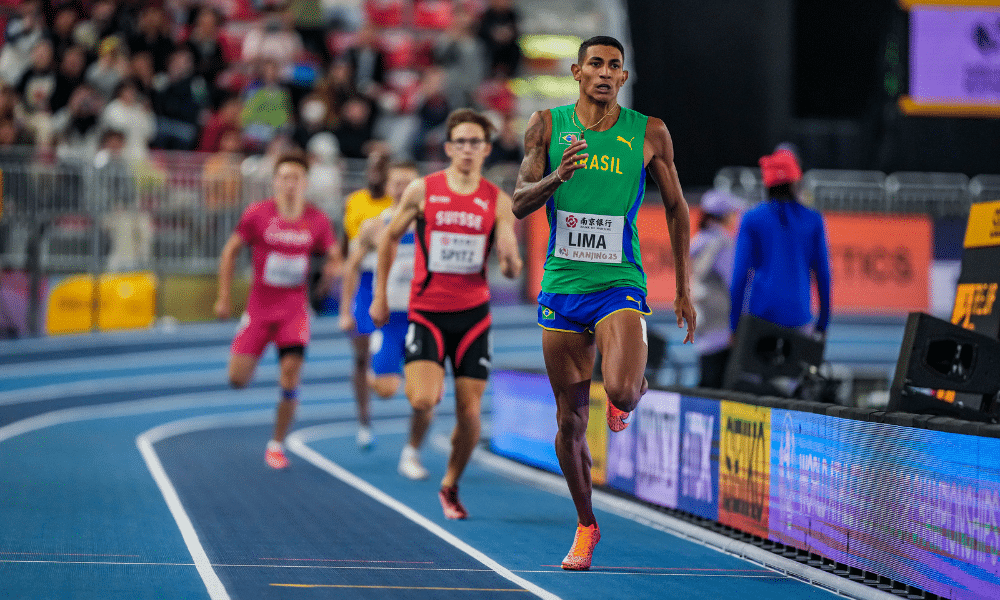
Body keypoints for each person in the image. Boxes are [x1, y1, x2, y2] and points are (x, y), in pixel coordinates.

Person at [510, 36, 696, 570]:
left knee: (617, 388)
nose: (605, 72)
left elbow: (679, 209)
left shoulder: (649, 132)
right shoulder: (546, 125)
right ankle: (586, 526)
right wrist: (557, 177)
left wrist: (682, 288)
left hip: (619, 281)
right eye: (595, 63)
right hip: (563, 286)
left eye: (615, 66)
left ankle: (628, 393)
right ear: (577, 71)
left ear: (623, 77)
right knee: (569, 421)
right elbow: (520, 203)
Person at [370, 108, 522, 519]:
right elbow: (388, 239)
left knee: (469, 412)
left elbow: (511, 260)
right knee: (423, 399)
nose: (468, 149)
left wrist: (510, 263)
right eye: (461, 142)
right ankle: (424, 389)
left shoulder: (496, 200)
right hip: (428, 313)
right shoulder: (423, 190)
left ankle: (450, 483)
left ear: (486, 149)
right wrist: (380, 297)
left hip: (473, 317)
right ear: (449, 147)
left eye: (476, 142)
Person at [214, 151, 339, 470]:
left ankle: (277, 444)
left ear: (305, 183)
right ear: (274, 182)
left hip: (294, 312)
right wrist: (224, 297)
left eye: (296, 178)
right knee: (237, 379)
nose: (289, 184)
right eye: (284, 178)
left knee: (290, 376)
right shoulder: (258, 214)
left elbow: (334, 255)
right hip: (259, 308)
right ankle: (265, 374)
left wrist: (327, 280)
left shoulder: (317, 219)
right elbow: (230, 251)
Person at [338, 161, 420, 448]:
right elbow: (350, 267)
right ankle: (364, 420)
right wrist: (345, 310)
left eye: (407, 183)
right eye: (396, 183)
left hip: (417, 309)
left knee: (422, 386)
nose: (401, 189)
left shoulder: (430, 222)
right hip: (376, 295)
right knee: (363, 362)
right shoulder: (375, 224)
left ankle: (413, 448)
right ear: (388, 187)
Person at [729, 148, 831, 338]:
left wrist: (734, 325)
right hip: (799, 315)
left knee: (758, 368)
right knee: (796, 368)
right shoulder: (813, 220)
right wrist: (823, 323)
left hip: (761, 315)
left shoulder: (751, 218)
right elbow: (823, 274)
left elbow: (739, 276)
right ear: (796, 181)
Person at [338, 147, 393, 448]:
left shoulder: (397, 202)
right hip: (363, 281)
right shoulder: (354, 201)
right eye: (371, 167)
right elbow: (348, 246)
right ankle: (364, 421)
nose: (375, 173)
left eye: (381, 169)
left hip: (395, 282)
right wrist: (344, 306)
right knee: (360, 357)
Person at [691, 190, 744, 388]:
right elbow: (734, 284)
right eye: (732, 212)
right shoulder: (721, 244)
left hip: (704, 321)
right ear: (723, 215)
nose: (735, 217)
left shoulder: (700, 240)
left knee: (707, 381)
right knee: (720, 388)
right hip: (722, 327)